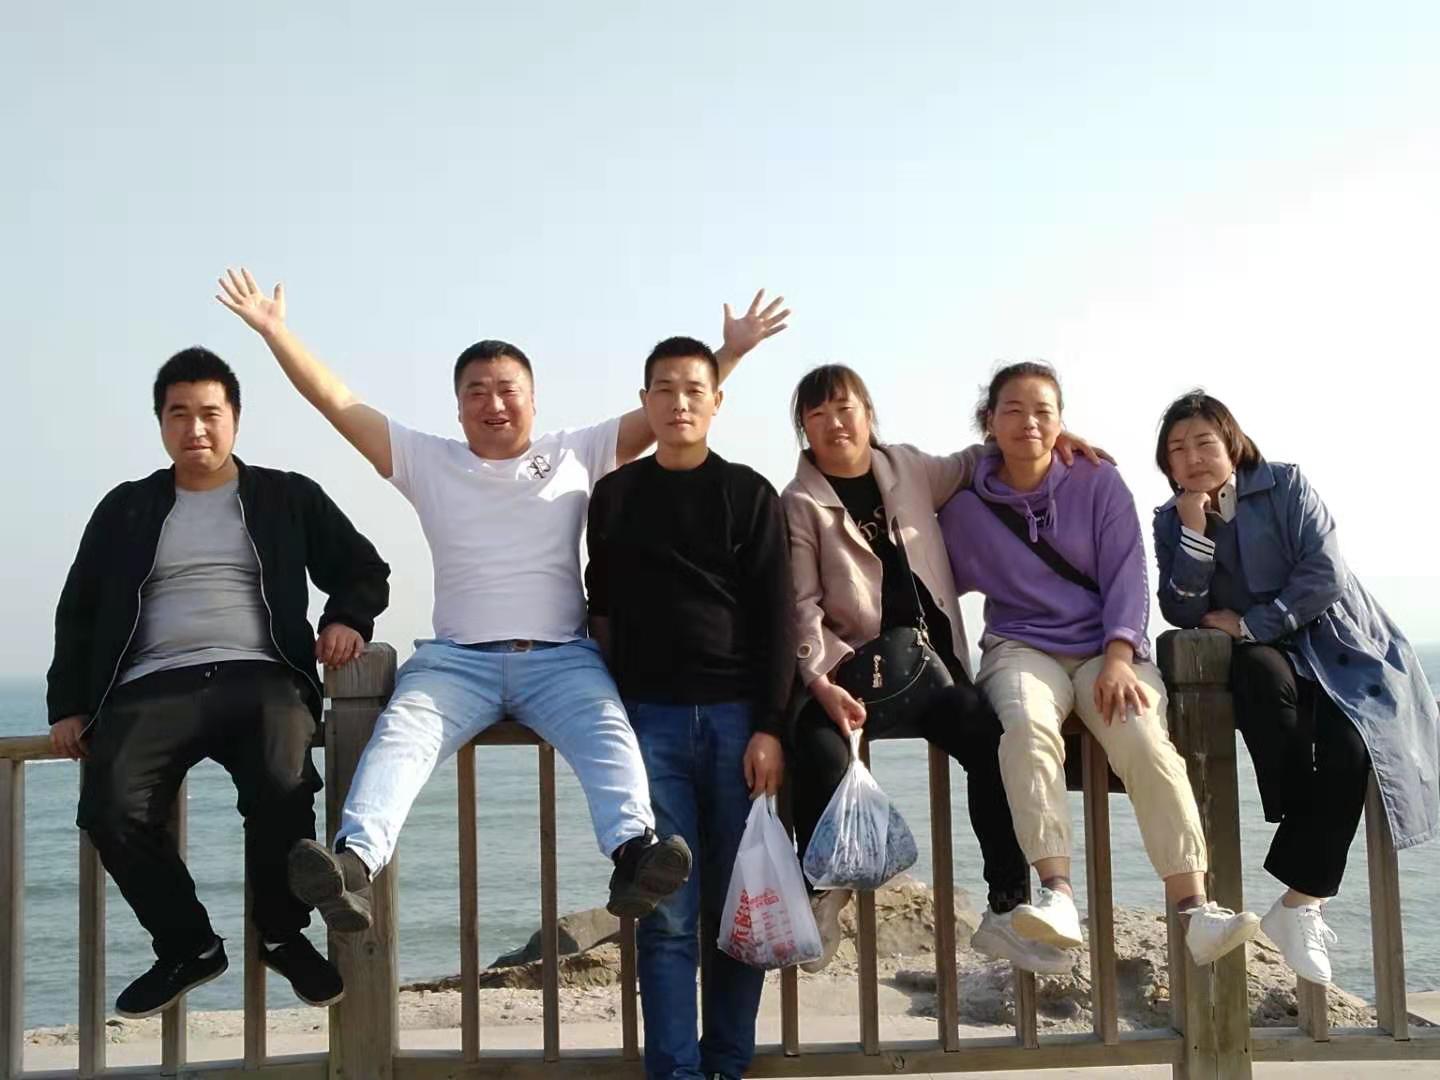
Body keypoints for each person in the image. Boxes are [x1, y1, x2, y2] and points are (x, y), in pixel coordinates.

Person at [216, 268, 789, 929]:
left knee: (610, 734)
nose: (494, 404)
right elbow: (337, 401)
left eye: (508, 390)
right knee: (399, 739)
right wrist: (276, 333)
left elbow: (675, 404)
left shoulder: (578, 452)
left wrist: (731, 353)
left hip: (561, 658)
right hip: (456, 662)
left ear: (534, 400)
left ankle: (635, 853)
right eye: (477, 392)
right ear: (458, 406)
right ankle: (352, 865)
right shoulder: (427, 460)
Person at [47, 347, 390, 1018]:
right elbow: (78, 611)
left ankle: (282, 934)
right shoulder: (126, 508)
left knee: (283, 785)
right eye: (179, 414)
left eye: (210, 413)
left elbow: (362, 568)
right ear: (160, 423)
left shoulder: (286, 496)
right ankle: (188, 945)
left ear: (235, 418)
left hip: (262, 676)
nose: (195, 428)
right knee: (110, 809)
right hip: (152, 683)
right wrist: (69, 706)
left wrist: (347, 619)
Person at [783, 363, 1104, 977]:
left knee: (990, 738)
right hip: (855, 672)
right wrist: (820, 679)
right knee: (815, 742)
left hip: (932, 669)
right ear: (803, 428)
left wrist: (1047, 436)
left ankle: (1006, 907)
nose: (834, 424)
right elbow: (801, 605)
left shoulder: (907, 467)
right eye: (817, 415)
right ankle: (822, 896)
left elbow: (978, 459)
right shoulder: (800, 502)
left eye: (845, 409)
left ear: (868, 414)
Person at [937, 361, 1259, 966]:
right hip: (1020, 647)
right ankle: (1057, 894)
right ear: (989, 422)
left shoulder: (1098, 481)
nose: (1030, 423)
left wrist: (1118, 655)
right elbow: (926, 565)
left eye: (1044, 411)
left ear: (1062, 421)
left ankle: (1195, 911)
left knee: (1142, 736)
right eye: (1013, 411)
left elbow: (1127, 572)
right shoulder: (965, 507)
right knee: (1026, 728)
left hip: (1106, 647)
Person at [1154, 390, 1439, 983]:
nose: (1193, 457)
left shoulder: (1286, 485)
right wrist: (1195, 534)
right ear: (1167, 463)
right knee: (1259, 678)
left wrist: (1253, 623)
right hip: (1263, 656)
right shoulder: (1169, 520)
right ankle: (1302, 846)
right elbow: (1181, 609)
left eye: (1204, 442)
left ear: (1231, 444)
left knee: (1353, 746)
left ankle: (1299, 903)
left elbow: (1325, 573)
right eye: (1177, 449)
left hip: (1337, 639)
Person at [585, 335, 792, 1080]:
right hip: (648, 721)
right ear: (645, 402)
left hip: (737, 719)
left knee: (739, 908)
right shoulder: (614, 496)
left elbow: (777, 620)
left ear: (717, 401)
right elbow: (602, 611)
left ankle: (726, 1067)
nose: (679, 403)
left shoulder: (749, 493)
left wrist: (770, 727)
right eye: (665, 390)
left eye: (694, 389)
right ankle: (674, 1073)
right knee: (666, 912)